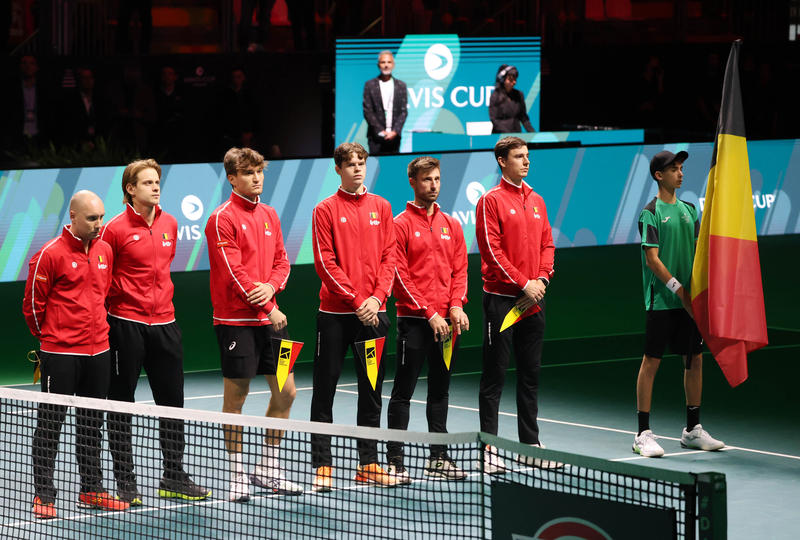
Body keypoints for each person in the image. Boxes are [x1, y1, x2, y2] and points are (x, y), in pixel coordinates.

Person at [101, 159, 210, 505]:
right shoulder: (114, 230)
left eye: (157, 181)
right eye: (147, 182)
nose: (155, 187)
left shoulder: (171, 223)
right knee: (121, 404)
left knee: (173, 404)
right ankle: (126, 480)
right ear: (130, 189)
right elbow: (102, 278)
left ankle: (173, 475)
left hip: (165, 324)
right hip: (125, 324)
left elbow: (163, 271)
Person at [22, 190, 129, 519]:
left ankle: (92, 489)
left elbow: (105, 297)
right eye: (92, 218)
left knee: (91, 423)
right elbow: (32, 306)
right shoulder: (49, 254)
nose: (99, 224)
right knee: (50, 424)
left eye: (101, 217)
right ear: (73, 217)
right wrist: (52, 341)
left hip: (99, 352)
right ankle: (44, 494)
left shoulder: (106, 250)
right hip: (60, 353)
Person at [205, 147, 300, 502]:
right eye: (248, 173)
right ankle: (236, 475)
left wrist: (272, 288)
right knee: (237, 399)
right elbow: (234, 273)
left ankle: (268, 468)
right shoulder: (221, 218)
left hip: (271, 318)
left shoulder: (271, 214)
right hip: (236, 322)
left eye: (259, 171)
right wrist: (268, 307)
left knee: (287, 392)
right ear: (232, 178)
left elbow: (282, 261)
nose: (256, 178)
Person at [310, 142, 397, 491]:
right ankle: (322, 466)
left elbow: (390, 258)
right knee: (324, 390)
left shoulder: (382, 207)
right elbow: (324, 262)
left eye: (361, 162)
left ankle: (369, 463)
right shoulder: (324, 209)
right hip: (334, 317)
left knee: (372, 390)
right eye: (350, 164)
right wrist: (357, 299)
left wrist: (376, 299)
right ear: (338, 169)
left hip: (374, 318)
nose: (357, 168)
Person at [633, 150, 725, 458]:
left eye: (682, 168)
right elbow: (652, 259)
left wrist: (701, 290)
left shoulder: (689, 211)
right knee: (652, 362)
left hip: (690, 303)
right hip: (662, 301)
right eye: (674, 169)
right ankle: (643, 433)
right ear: (659, 175)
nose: (681, 173)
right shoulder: (651, 212)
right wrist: (680, 291)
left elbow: (699, 253)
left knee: (695, 359)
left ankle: (692, 430)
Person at [386, 156, 470, 483]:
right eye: (426, 180)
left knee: (440, 390)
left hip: (448, 325)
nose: (433, 185)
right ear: (413, 182)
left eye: (436, 179)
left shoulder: (452, 224)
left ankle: (438, 459)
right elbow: (399, 275)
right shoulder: (400, 224)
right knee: (403, 392)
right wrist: (429, 312)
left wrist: (455, 306)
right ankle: (396, 460)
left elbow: (460, 271)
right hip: (414, 322)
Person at [475, 136, 555, 473]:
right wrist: (525, 283)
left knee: (530, 375)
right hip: (502, 301)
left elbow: (548, 244)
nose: (526, 161)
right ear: (501, 161)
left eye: (527, 156)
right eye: (519, 157)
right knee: (495, 375)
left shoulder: (536, 199)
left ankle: (529, 444)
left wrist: (542, 280)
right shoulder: (490, 202)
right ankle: (488, 449)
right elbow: (492, 252)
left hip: (533, 302)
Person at [362, 51, 408, 155]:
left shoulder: (401, 85)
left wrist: (395, 131)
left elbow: (403, 112)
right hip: (375, 137)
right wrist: (380, 131)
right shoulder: (370, 85)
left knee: (394, 166)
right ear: (378, 64)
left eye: (389, 62)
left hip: (394, 137)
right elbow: (367, 111)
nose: (386, 65)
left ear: (393, 64)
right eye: (383, 62)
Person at [488, 64, 534, 134]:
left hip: (516, 136)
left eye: (515, 79)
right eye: (510, 79)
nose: (514, 82)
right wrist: (508, 134)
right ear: (503, 80)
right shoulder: (495, 96)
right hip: (500, 137)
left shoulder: (519, 95)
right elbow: (494, 119)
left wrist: (533, 134)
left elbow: (524, 118)